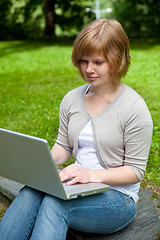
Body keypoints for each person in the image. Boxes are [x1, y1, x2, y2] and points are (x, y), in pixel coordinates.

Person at [0, 18, 153, 240]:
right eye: (83, 61)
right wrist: (41, 166)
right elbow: (64, 146)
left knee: (56, 204)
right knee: (32, 190)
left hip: (118, 198)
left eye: (98, 62)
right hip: (77, 185)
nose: (88, 69)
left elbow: (135, 172)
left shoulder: (134, 108)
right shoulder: (72, 99)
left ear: (117, 59)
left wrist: (90, 174)